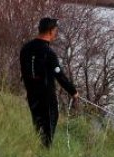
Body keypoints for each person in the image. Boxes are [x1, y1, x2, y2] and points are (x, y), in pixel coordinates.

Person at [20, 17, 78, 148]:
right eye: (56, 30)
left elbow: (24, 72)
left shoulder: (25, 48)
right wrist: (73, 91)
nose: (56, 33)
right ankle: (44, 155)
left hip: (31, 95)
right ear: (51, 31)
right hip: (46, 98)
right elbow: (59, 75)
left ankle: (38, 151)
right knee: (47, 130)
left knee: (38, 125)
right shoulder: (49, 53)